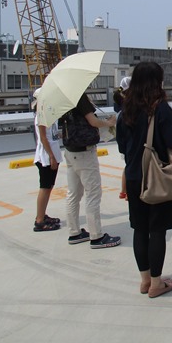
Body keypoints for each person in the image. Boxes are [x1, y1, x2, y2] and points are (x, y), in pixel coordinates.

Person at [116, 62, 172, 298]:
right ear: (157, 81)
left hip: (135, 176)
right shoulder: (161, 108)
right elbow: (170, 141)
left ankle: (145, 280)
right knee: (157, 230)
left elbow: (121, 146)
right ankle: (157, 284)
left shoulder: (125, 110)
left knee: (140, 229)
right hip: (156, 177)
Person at [63, 92, 121, 248]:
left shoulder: (64, 98)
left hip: (70, 150)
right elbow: (93, 121)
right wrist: (108, 123)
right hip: (85, 153)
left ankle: (74, 232)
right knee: (93, 194)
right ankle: (96, 236)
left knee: (73, 194)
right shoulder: (79, 97)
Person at [32, 88, 62, 232]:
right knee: (45, 187)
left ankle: (42, 215)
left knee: (49, 186)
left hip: (52, 154)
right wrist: (51, 156)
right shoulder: (41, 115)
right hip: (46, 156)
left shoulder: (48, 113)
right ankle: (39, 220)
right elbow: (43, 138)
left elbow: (52, 135)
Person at [113, 76, 131, 199]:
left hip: (124, 145)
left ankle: (124, 191)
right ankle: (127, 191)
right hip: (130, 144)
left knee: (127, 166)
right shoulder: (129, 108)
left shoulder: (118, 105)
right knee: (130, 167)